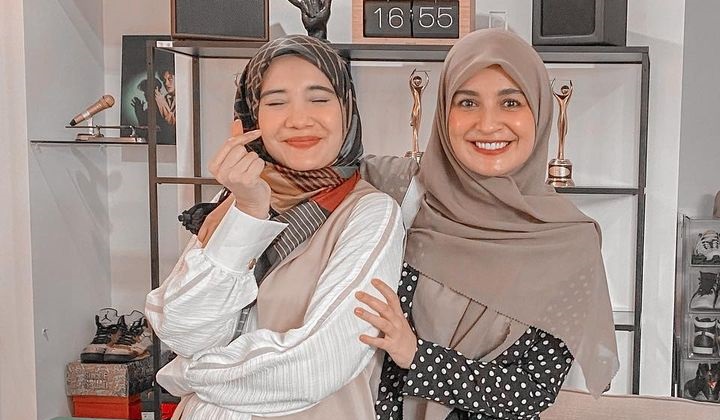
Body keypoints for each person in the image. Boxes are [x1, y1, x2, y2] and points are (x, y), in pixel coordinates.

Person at [356, 29, 619, 420]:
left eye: (510, 102)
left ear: (539, 112)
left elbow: (534, 390)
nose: (488, 123)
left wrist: (419, 357)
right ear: (444, 112)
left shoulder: (570, 243)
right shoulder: (399, 189)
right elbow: (314, 172)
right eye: (467, 102)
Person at [145, 34, 405, 419]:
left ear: (346, 110)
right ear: (252, 118)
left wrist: (187, 373)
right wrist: (248, 212)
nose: (299, 119)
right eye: (276, 102)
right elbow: (184, 331)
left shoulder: (370, 213)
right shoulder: (235, 197)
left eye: (319, 99)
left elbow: (316, 365)